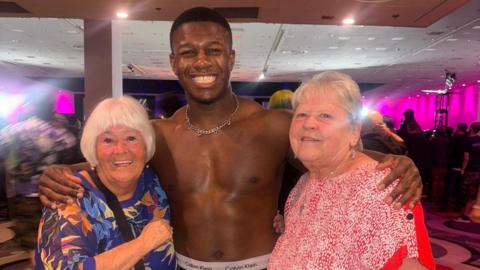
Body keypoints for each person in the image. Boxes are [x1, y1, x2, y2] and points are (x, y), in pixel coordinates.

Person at [39, 7, 422, 270]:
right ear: (174, 62)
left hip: (261, 263)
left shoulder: (273, 127)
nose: (202, 62)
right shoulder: (159, 135)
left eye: (214, 50)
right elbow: (114, 161)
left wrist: (388, 162)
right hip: (185, 265)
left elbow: (330, 155)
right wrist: (63, 172)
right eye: (188, 52)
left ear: (231, 58)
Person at [268, 71, 434, 269]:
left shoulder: (386, 190)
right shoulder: (303, 185)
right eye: (301, 114)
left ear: (354, 132)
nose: (309, 124)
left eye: (325, 115)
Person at [35, 96, 175, 269]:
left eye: (131, 138)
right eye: (108, 140)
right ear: (93, 148)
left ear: (146, 144)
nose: (121, 149)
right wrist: (143, 243)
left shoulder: (153, 182)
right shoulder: (69, 198)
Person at [0, 92, 78, 250]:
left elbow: (3, 154)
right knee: (54, 237)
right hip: (54, 194)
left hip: (20, 194)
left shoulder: (12, 131)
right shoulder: (60, 134)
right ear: (50, 109)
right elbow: (72, 157)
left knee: (29, 238)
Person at [457, 122, 480, 222]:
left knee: (465, 192)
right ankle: (468, 213)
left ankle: (464, 214)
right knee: (473, 193)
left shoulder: (468, 140)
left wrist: (462, 169)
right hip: (478, 170)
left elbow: (466, 157)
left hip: (470, 169)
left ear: (471, 128)